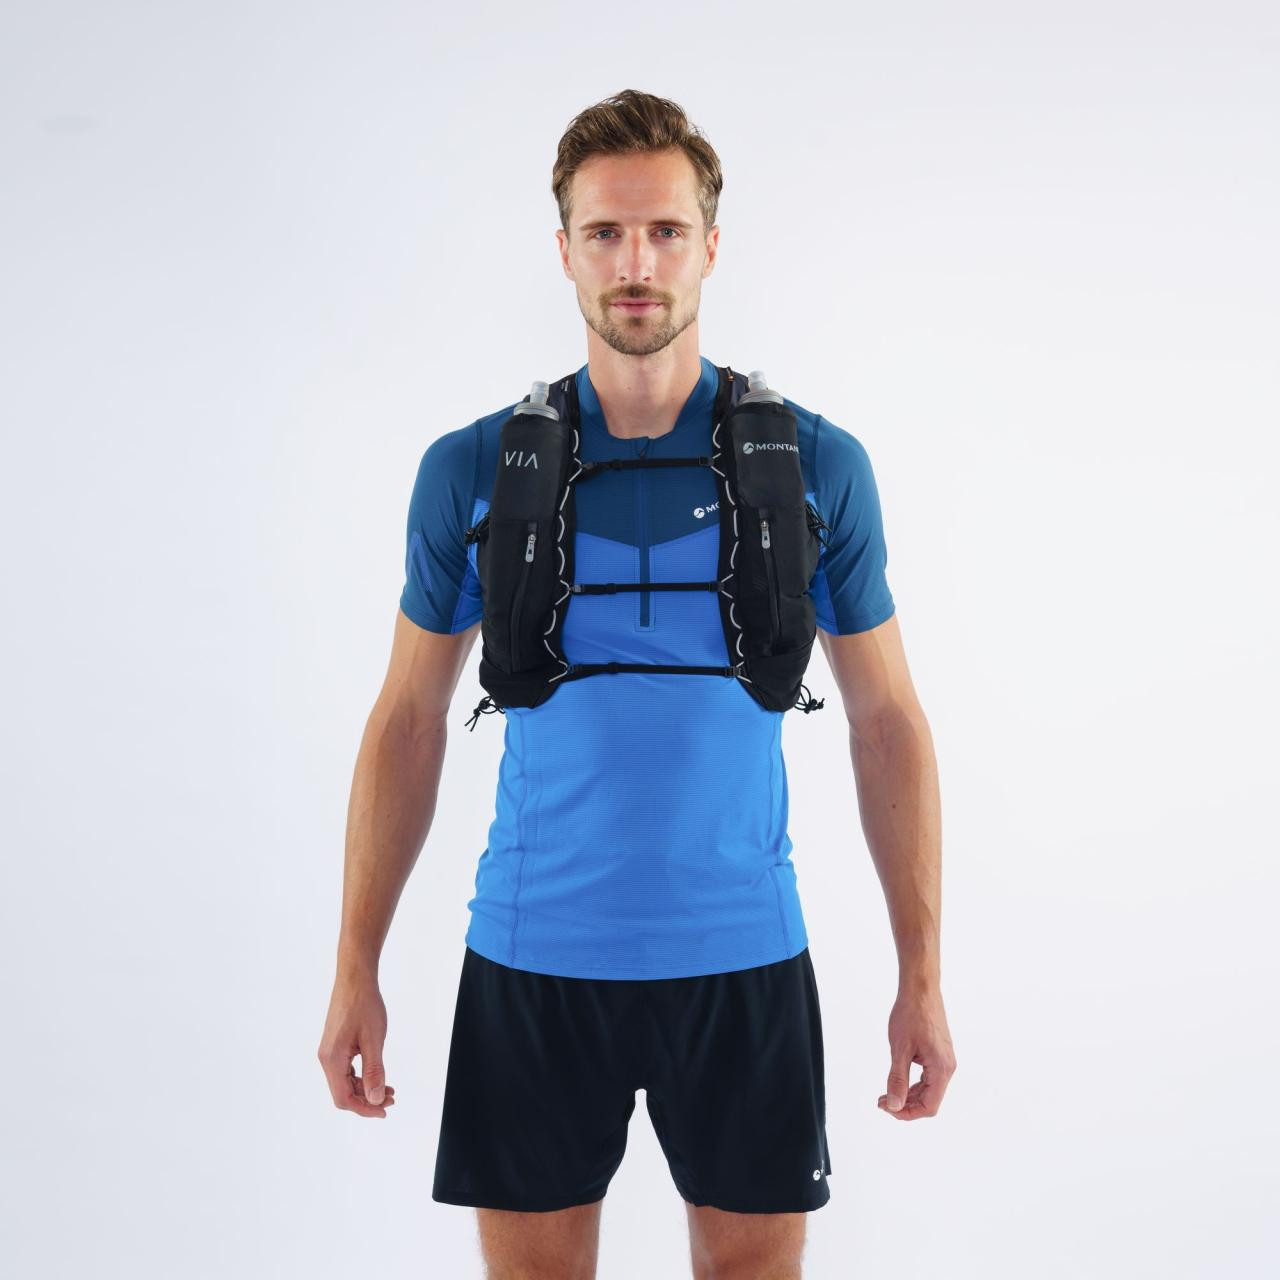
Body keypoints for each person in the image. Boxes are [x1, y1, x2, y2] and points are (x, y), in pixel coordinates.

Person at [318, 88, 956, 1280]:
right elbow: (406, 720)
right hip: (531, 955)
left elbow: (887, 722)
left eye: (663, 230)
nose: (635, 263)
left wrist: (919, 972)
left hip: (744, 957)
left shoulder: (815, 467)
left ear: (710, 246)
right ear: (563, 249)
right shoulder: (470, 471)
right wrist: (355, 964)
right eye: (604, 233)